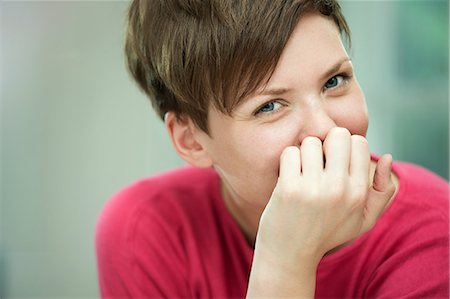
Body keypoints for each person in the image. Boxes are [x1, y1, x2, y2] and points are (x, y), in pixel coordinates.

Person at [95, 0, 449, 298]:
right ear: (190, 140)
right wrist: (285, 262)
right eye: (269, 106)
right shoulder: (147, 230)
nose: (326, 128)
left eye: (334, 81)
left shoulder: (435, 237)